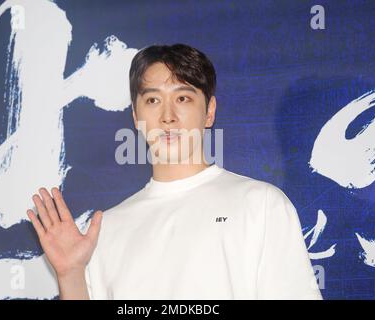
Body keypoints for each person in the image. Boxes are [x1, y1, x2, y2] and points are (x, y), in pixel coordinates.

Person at [27, 44, 323, 300]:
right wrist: (70, 274)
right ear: (135, 115)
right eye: (153, 100)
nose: (167, 116)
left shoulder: (261, 204)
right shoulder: (105, 229)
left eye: (183, 98)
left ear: (209, 111)